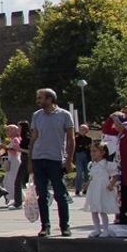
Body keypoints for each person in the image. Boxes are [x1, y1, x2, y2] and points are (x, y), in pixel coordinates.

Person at [30, 88, 75, 237]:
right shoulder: (37, 115)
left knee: (60, 194)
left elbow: (71, 139)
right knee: (41, 195)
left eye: (40, 98)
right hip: (38, 158)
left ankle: (64, 226)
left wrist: (69, 160)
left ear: (50, 99)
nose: (38, 101)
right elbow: (34, 138)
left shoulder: (64, 115)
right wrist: (30, 160)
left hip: (55, 159)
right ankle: (45, 226)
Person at [83, 143, 119, 237]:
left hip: (103, 189)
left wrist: (111, 184)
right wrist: (87, 184)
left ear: (102, 152)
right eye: (91, 151)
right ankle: (97, 229)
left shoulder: (107, 164)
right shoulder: (92, 164)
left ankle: (105, 229)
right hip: (94, 189)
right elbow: (92, 177)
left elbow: (115, 176)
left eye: (95, 151)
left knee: (102, 210)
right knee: (94, 210)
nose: (92, 153)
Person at [1, 124, 22, 207]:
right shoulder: (11, 140)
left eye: (9, 130)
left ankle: (17, 198)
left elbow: (16, 150)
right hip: (11, 161)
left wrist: (5, 147)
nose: (7, 132)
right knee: (7, 181)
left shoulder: (15, 140)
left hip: (15, 161)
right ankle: (15, 197)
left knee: (12, 181)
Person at [13, 120, 31, 208]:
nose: (18, 130)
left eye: (19, 128)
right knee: (28, 181)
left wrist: (19, 149)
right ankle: (18, 201)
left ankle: (18, 202)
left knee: (18, 181)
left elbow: (30, 151)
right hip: (24, 159)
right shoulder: (22, 138)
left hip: (27, 159)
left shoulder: (27, 138)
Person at [74, 124, 93, 196]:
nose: (82, 131)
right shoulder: (76, 138)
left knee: (87, 173)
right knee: (79, 172)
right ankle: (78, 189)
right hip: (78, 156)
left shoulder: (89, 139)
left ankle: (86, 189)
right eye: (81, 129)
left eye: (84, 129)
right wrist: (84, 146)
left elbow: (89, 148)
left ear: (86, 131)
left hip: (87, 157)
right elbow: (77, 148)